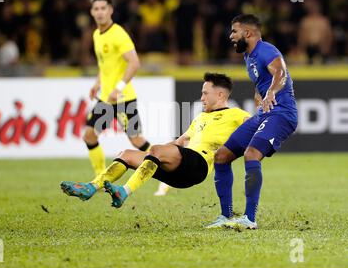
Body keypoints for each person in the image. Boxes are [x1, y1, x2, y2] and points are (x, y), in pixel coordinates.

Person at [60, 73, 250, 209]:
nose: (201, 98)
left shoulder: (236, 114)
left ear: (220, 95)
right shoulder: (200, 118)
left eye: (205, 93)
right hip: (180, 173)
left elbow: (256, 125)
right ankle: (91, 187)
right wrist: (153, 154)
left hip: (199, 166)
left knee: (157, 150)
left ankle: (123, 192)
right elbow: (181, 141)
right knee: (126, 155)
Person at [206, 14, 298, 230]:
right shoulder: (249, 56)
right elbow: (262, 81)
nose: (230, 36)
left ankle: (249, 218)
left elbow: (280, 74)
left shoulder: (267, 51)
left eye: (234, 32)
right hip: (263, 114)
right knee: (221, 156)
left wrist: (271, 93)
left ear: (247, 33)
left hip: (282, 113)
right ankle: (226, 217)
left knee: (251, 154)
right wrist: (260, 97)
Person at [84, 0, 151, 177]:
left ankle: (165, 168)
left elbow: (134, 62)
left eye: (103, 8)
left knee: (137, 141)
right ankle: (100, 177)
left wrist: (118, 88)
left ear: (110, 10)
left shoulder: (118, 34)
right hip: (106, 98)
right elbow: (105, 65)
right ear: (91, 12)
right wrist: (97, 83)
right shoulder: (97, 34)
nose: (100, 12)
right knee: (89, 135)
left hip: (123, 98)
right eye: (96, 9)